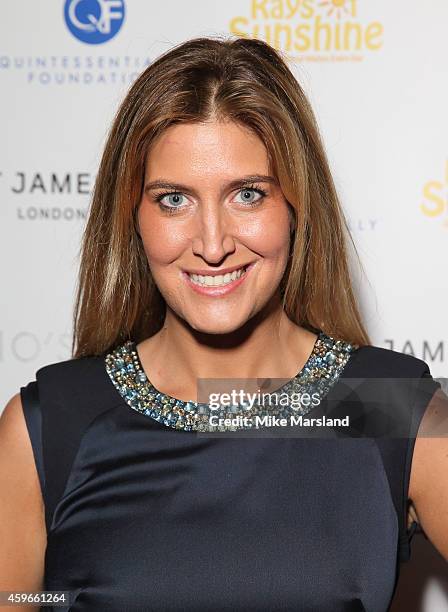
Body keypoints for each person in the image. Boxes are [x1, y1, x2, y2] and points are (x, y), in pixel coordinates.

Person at [1, 35, 447, 612]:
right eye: (173, 201)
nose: (212, 245)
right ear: (131, 216)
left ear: (295, 205)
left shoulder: (390, 407)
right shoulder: (48, 427)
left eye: (248, 194)